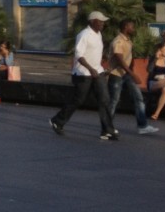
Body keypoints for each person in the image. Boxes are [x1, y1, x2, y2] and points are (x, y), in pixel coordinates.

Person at [50, 11, 118, 140]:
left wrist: (101, 65)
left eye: (103, 21)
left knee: (104, 100)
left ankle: (107, 130)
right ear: (92, 21)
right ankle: (58, 121)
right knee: (78, 100)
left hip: (98, 72)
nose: (103, 23)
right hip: (83, 73)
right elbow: (79, 55)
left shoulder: (98, 34)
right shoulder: (84, 35)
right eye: (100, 21)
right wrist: (90, 68)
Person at [106, 20, 158, 134]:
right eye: (132, 27)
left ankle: (142, 126)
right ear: (126, 27)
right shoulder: (118, 41)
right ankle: (107, 127)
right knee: (114, 101)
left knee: (138, 97)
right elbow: (119, 60)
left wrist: (131, 72)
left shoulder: (128, 41)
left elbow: (129, 58)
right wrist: (133, 74)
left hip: (126, 74)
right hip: (116, 75)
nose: (133, 29)